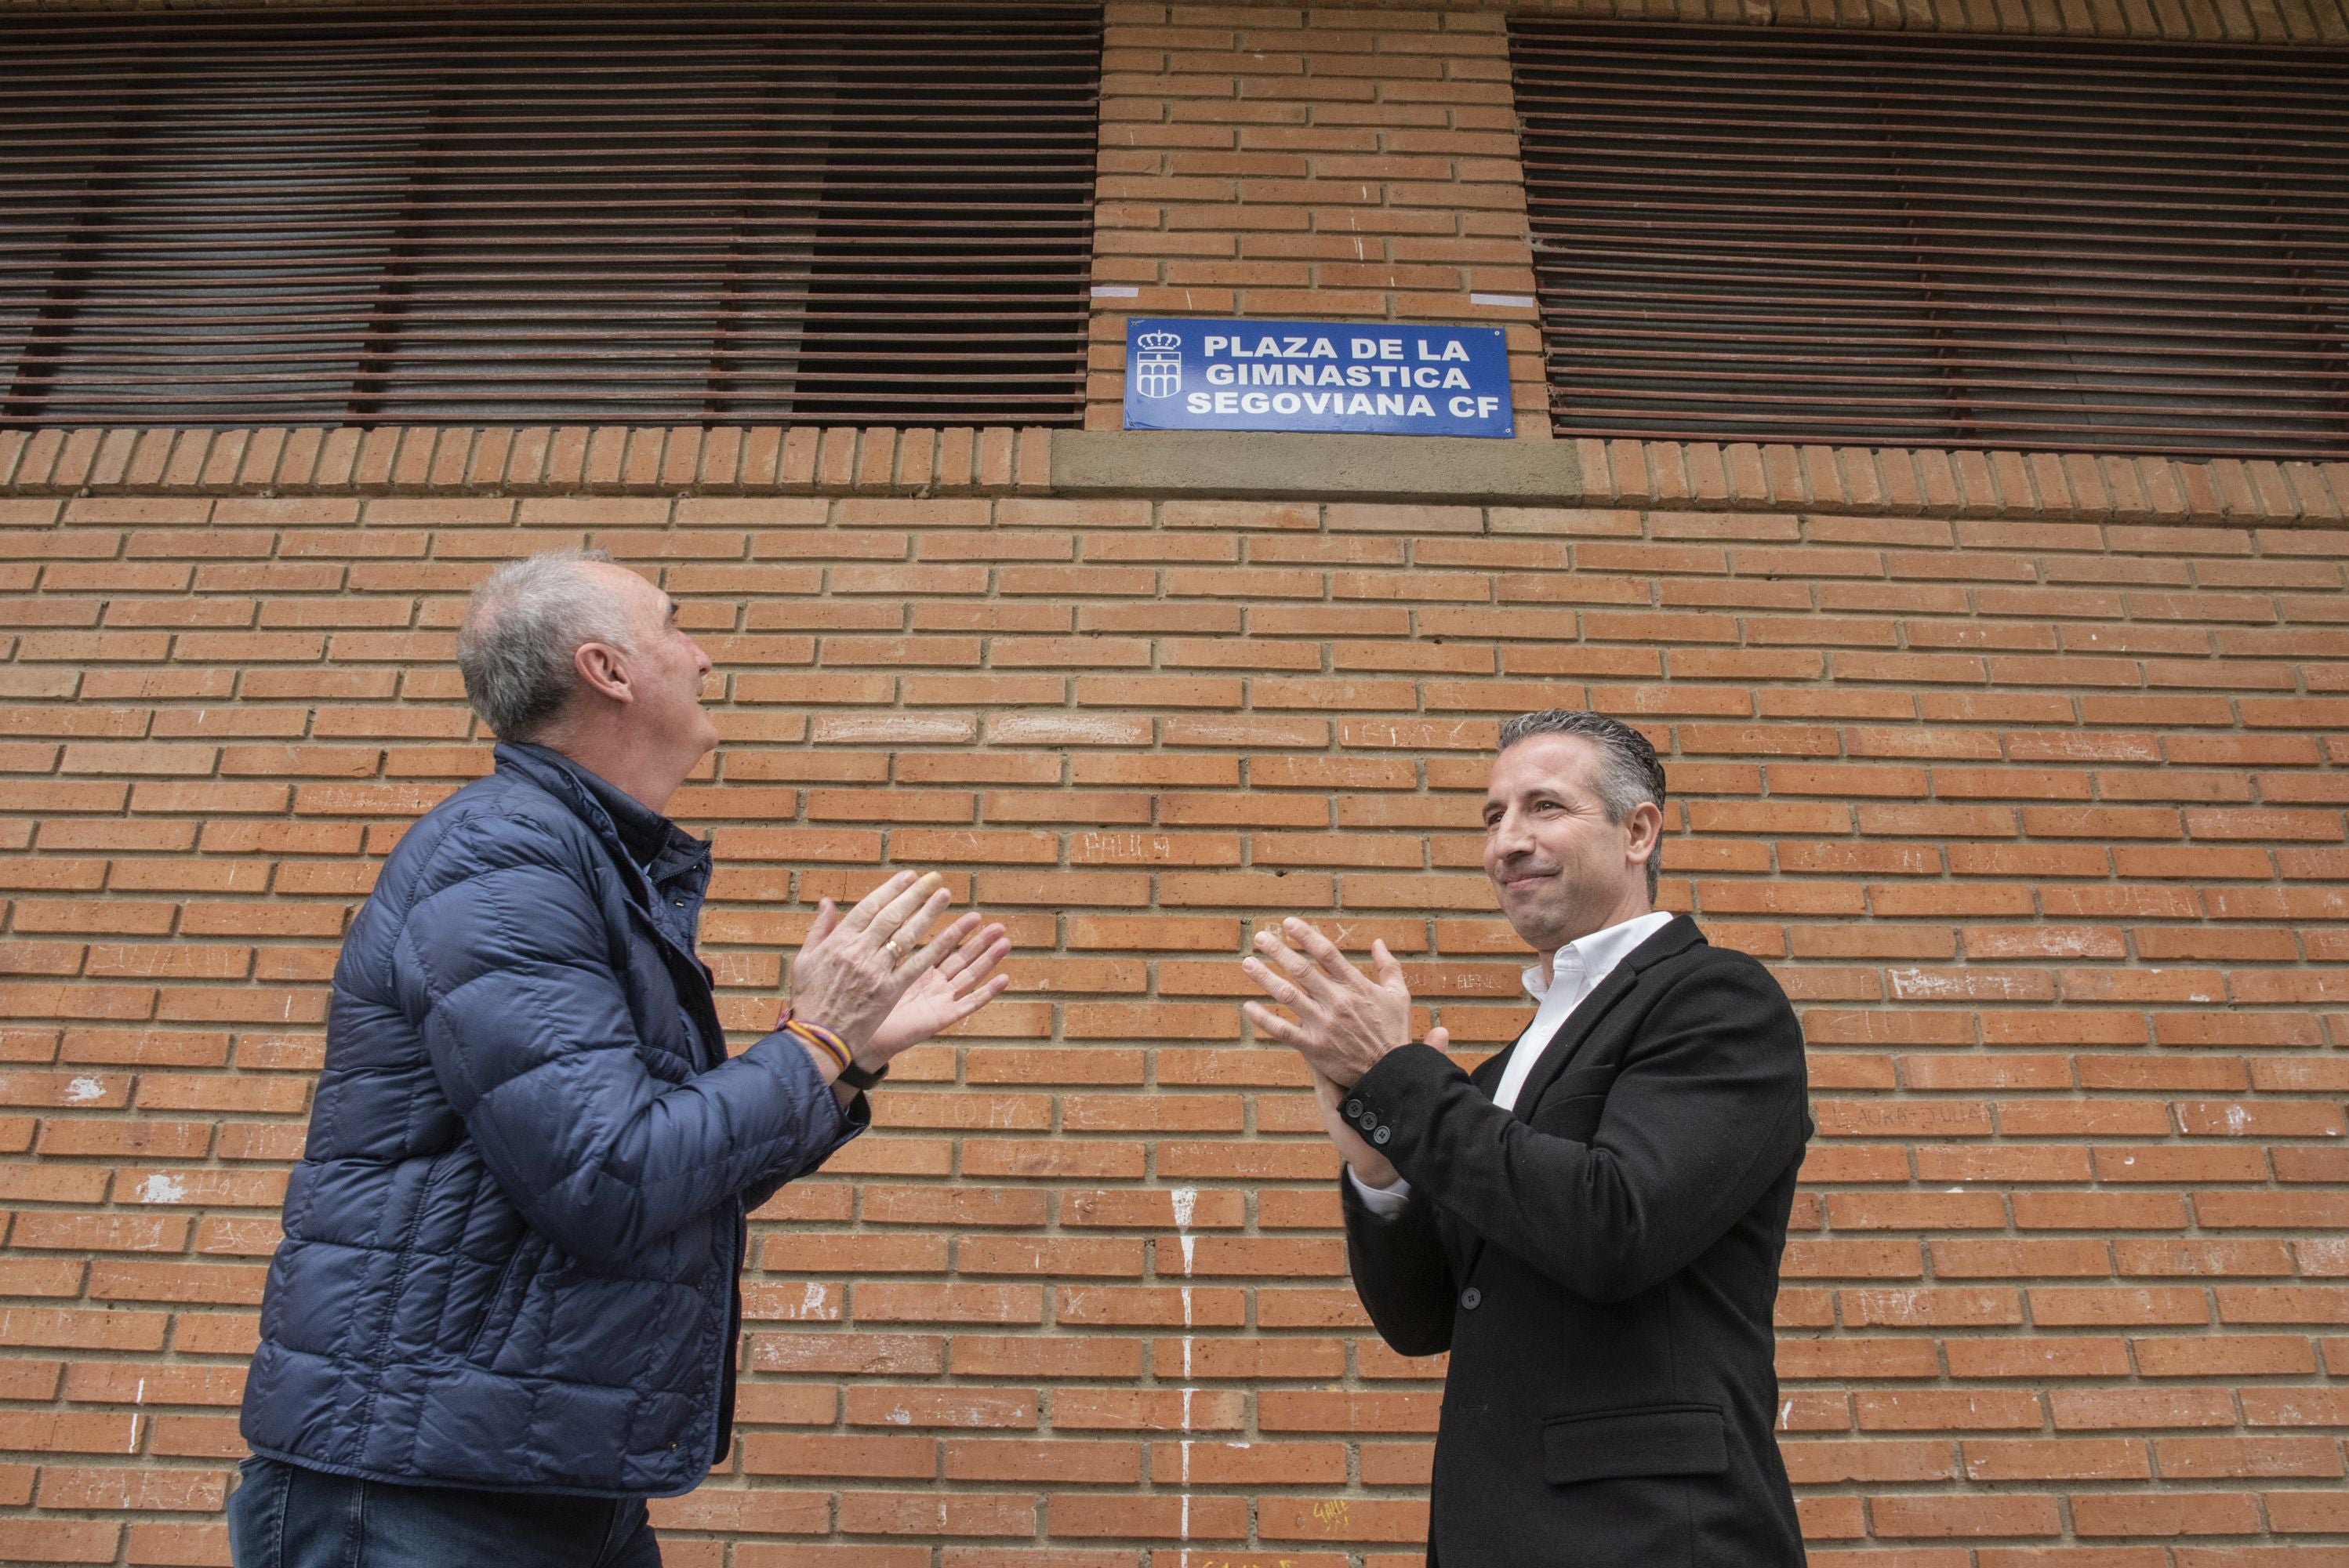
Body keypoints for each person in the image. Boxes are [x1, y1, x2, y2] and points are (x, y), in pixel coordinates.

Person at [230, 549, 1011, 1566]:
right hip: (421, 1505)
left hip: (543, 1489)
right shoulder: (504, 859)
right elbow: (611, 1176)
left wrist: (844, 1060)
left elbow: (674, 1179)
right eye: (676, 625)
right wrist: (811, 1039)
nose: (705, 656)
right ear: (607, 670)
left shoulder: (578, 863)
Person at [1240, 710, 1811, 1566]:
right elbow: (1422, 1318)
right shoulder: (1501, 1068)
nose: (1506, 841)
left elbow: (1615, 1224)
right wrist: (1380, 1168)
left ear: (1637, 830)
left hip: (1649, 1534)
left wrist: (1398, 1078)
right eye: (1491, 815)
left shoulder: (1717, 1000)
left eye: (1542, 806)